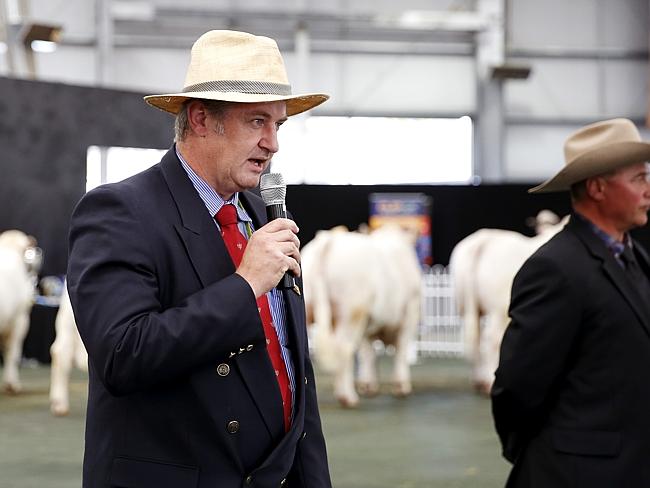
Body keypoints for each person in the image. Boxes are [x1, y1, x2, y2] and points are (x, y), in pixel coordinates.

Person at [67, 30, 332, 488]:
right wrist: (244, 287)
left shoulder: (259, 215)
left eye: (278, 124)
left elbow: (295, 375)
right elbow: (123, 356)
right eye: (256, 122)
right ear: (201, 119)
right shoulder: (119, 211)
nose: (273, 143)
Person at [491, 117, 650, 487]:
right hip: (575, 474)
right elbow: (517, 387)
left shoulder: (635, 257)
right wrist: (550, 455)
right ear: (597, 187)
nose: (648, 191)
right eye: (639, 179)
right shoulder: (556, 267)